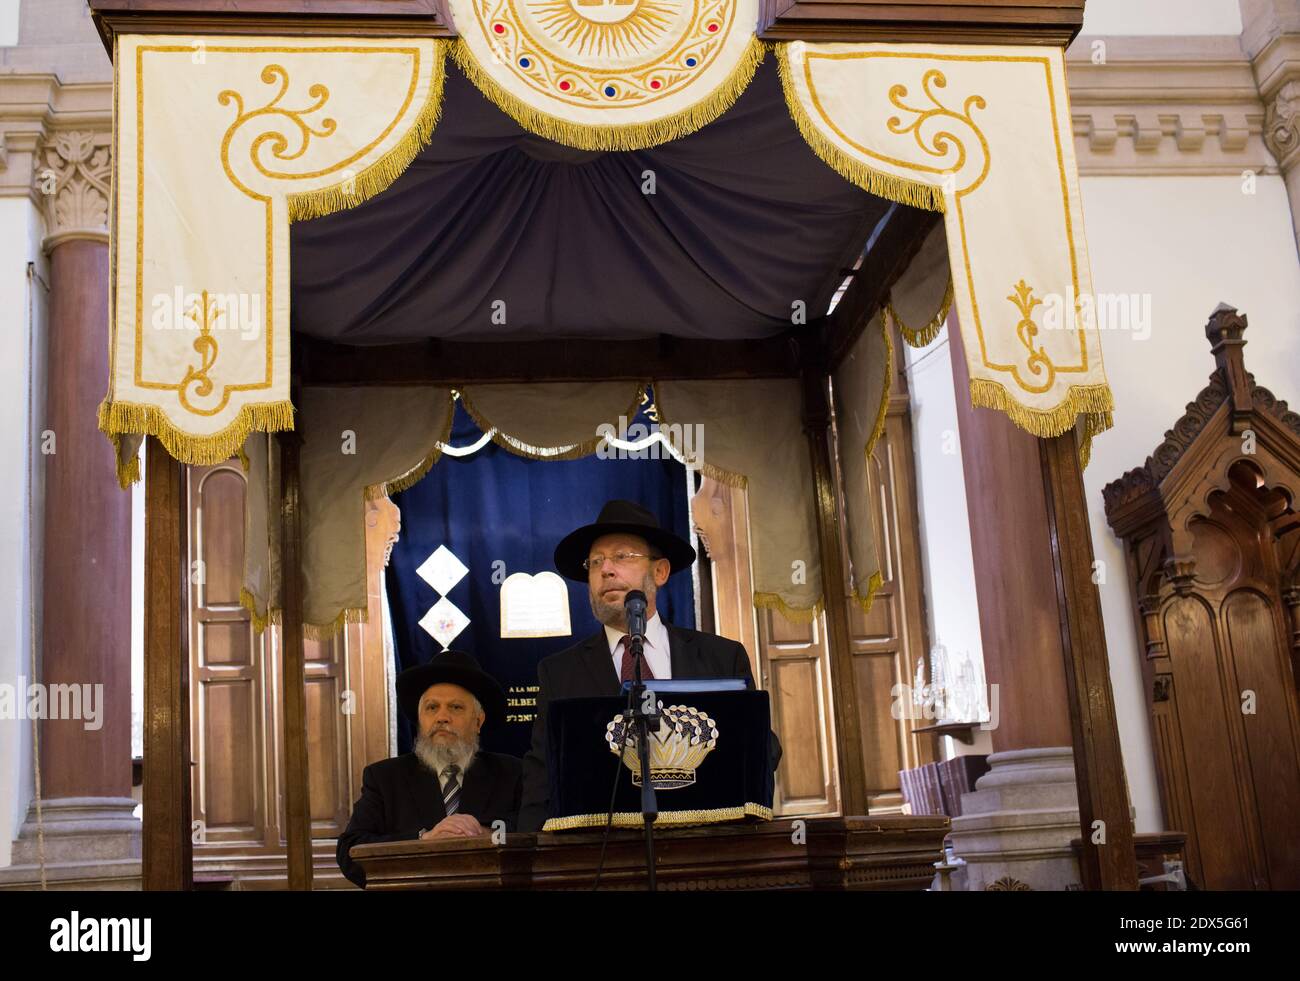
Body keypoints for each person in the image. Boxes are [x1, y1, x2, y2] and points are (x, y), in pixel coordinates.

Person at [518, 499, 782, 832]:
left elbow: (762, 751)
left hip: (707, 848)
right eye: (595, 561)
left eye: (622, 557)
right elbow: (542, 776)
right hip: (601, 857)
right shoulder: (559, 673)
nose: (606, 569)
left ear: (660, 571)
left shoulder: (721, 657)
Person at [336, 650, 521, 887]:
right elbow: (350, 850)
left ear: (478, 720)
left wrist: (487, 835)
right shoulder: (384, 778)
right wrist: (423, 839)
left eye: (455, 707)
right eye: (432, 707)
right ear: (420, 718)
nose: (442, 717)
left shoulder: (512, 773)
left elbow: (533, 831)